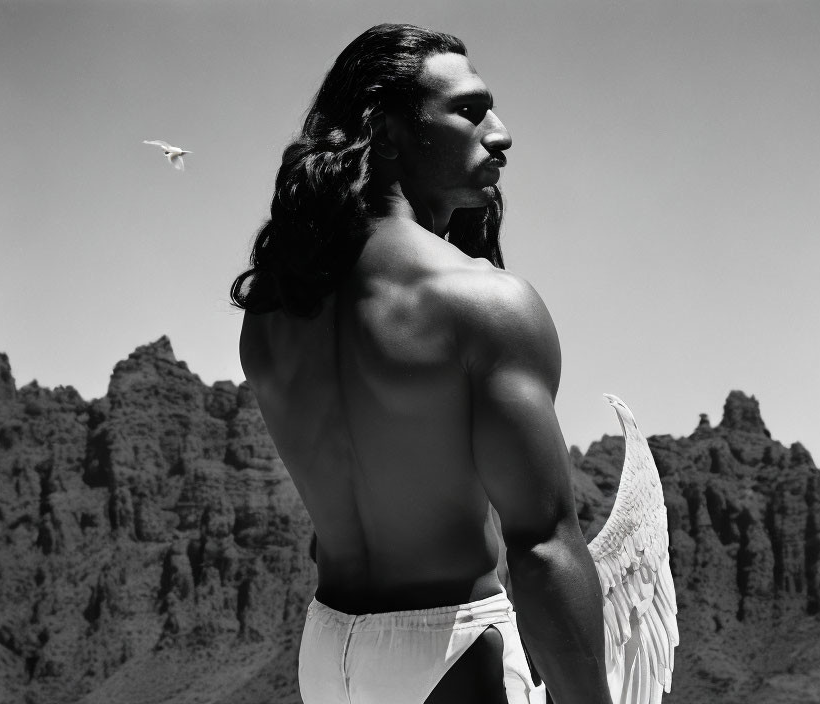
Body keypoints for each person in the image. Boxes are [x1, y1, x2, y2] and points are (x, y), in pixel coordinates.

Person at [232, 23, 612, 704]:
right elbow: (544, 546)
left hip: (328, 655)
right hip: (453, 654)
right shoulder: (484, 304)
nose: (500, 131)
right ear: (390, 131)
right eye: (468, 109)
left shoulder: (274, 312)